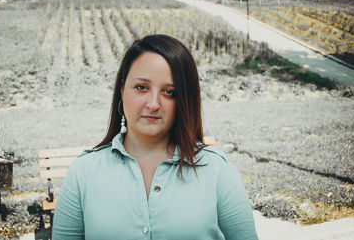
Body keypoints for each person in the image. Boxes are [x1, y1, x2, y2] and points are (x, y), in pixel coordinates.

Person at [52, 34, 258, 240]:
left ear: (184, 100)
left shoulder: (217, 171)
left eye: (169, 92)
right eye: (141, 87)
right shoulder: (83, 173)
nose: (153, 104)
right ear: (122, 90)